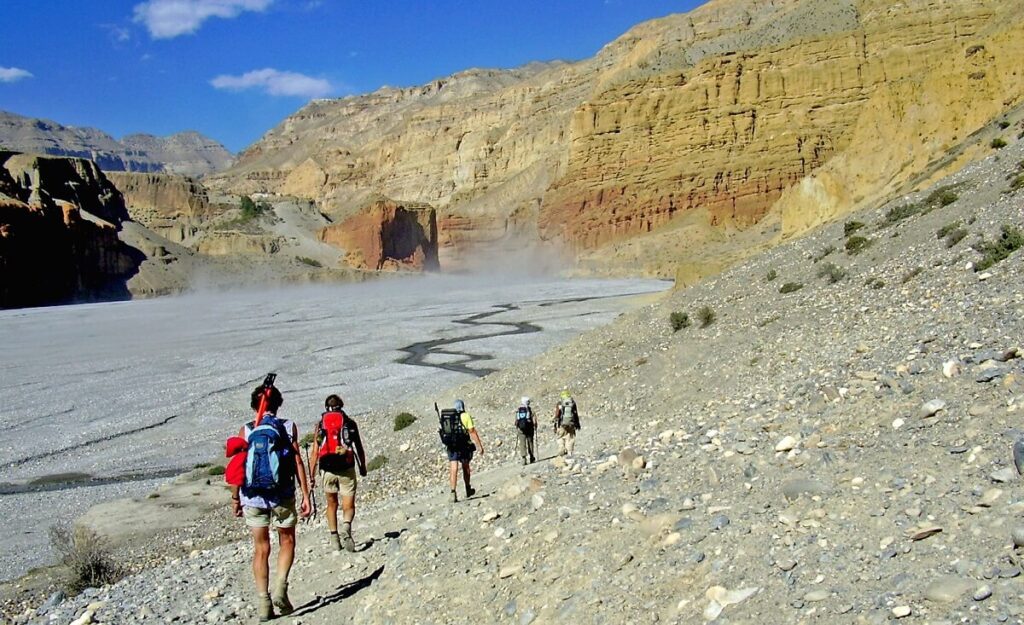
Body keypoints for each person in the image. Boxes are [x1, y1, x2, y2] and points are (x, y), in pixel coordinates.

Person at [230, 383, 312, 622]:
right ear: (278, 404)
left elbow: (237, 468)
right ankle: (281, 588)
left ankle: (264, 602)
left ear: (254, 405)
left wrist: (236, 498)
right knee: (287, 540)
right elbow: (297, 462)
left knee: (261, 548)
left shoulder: (246, 430)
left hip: (252, 495)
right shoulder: (287, 427)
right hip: (282, 494)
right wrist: (306, 494)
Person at [309, 394, 367, 553]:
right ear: (341, 405)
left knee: (331, 504)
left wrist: (311, 475)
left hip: (327, 469)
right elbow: (359, 448)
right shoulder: (349, 423)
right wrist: (363, 467)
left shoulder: (321, 425)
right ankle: (346, 525)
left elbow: (315, 451)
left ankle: (334, 539)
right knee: (348, 505)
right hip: (346, 467)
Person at [441, 399, 484, 502]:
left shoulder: (449, 417)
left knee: (453, 468)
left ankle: (453, 493)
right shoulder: (466, 416)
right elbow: (472, 432)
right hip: (463, 445)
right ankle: (468, 488)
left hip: (451, 445)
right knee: (465, 466)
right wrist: (479, 446)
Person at [553, 390, 581, 458]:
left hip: (561, 424)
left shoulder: (559, 403)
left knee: (560, 437)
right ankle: (569, 452)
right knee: (570, 438)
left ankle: (561, 449)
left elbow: (557, 415)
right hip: (571, 423)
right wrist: (577, 424)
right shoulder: (572, 403)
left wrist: (555, 425)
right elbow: (575, 414)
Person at [514, 396, 536, 465]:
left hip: (521, 429)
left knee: (522, 443)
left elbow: (516, 421)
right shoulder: (530, 410)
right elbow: (535, 421)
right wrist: (535, 426)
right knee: (530, 442)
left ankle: (524, 459)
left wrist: (518, 426)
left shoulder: (518, 410)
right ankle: (531, 457)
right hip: (529, 428)